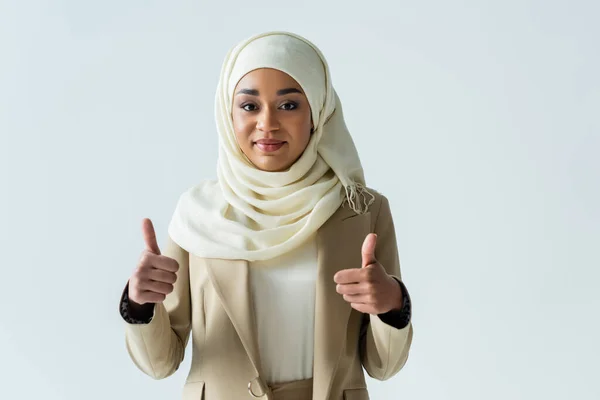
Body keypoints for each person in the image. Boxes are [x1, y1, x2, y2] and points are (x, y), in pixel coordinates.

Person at [118, 31, 413, 400]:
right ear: (228, 114)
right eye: (249, 106)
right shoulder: (199, 215)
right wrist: (140, 304)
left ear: (318, 112)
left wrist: (392, 306)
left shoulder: (362, 210)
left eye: (289, 105)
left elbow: (383, 366)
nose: (267, 123)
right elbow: (160, 362)